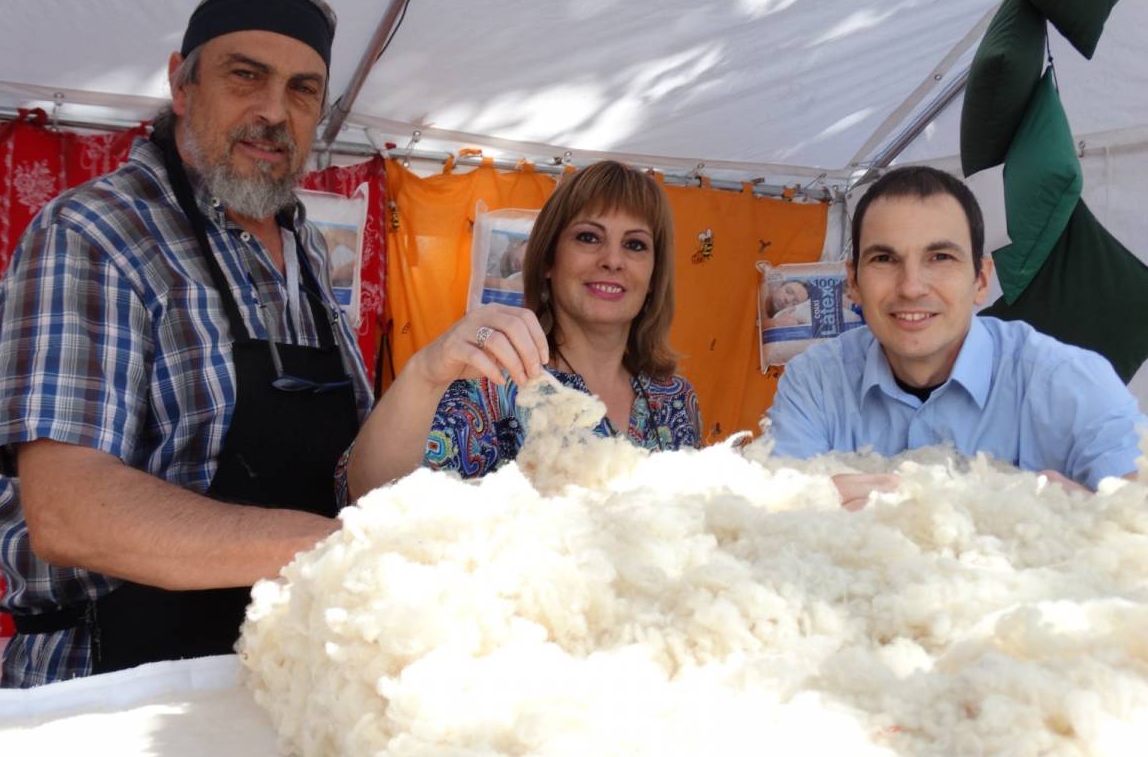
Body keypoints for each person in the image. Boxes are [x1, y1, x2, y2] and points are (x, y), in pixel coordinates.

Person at [0, 0, 372, 687]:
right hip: (112, 685)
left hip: (280, 680)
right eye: (245, 77)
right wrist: (341, 546)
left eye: (302, 89)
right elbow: (70, 513)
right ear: (182, 85)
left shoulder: (309, 248)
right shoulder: (94, 233)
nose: (272, 112)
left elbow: (348, 464)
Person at [767, 165, 1144, 509]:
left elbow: (1136, 511)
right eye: (885, 259)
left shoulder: (1069, 381)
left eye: (940, 258)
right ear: (852, 282)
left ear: (981, 279)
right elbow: (769, 516)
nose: (911, 287)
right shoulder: (813, 383)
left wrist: (1106, 527)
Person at [344, 160, 702, 497]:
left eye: (635, 245)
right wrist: (424, 372)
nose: (612, 260)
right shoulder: (490, 384)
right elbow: (369, 495)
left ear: (655, 276)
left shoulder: (675, 399)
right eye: (589, 237)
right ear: (549, 258)